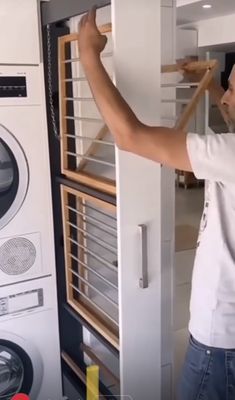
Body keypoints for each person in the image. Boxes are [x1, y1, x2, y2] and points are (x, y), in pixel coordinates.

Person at [78, 7, 235, 400]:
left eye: (232, 88)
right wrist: (209, 84)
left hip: (221, 344)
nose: (227, 97)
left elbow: (130, 136)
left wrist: (88, 55)